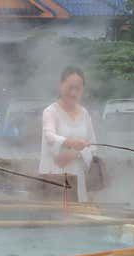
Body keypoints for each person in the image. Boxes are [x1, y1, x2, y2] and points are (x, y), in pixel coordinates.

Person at [39, 66, 96, 203]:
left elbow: (93, 146)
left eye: (78, 88)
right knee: (56, 215)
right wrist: (71, 143)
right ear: (60, 86)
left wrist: (74, 154)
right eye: (70, 87)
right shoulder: (50, 112)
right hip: (55, 175)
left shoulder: (84, 114)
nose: (73, 93)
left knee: (78, 214)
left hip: (78, 177)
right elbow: (50, 136)